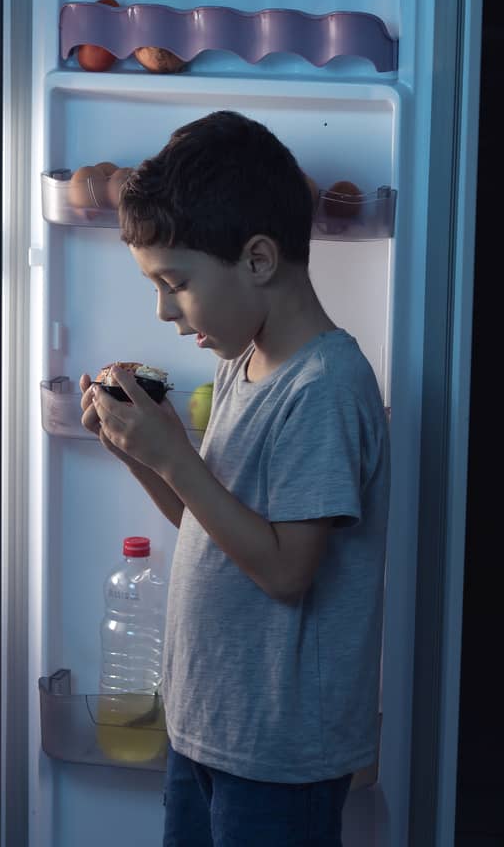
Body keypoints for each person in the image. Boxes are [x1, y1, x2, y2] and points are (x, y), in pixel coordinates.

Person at [79, 110, 390, 847]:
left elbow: (286, 571)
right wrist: (136, 450)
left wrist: (172, 455)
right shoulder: (240, 363)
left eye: (175, 283)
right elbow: (215, 530)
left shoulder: (325, 386)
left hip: (279, 753)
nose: (162, 309)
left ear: (256, 260)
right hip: (208, 726)